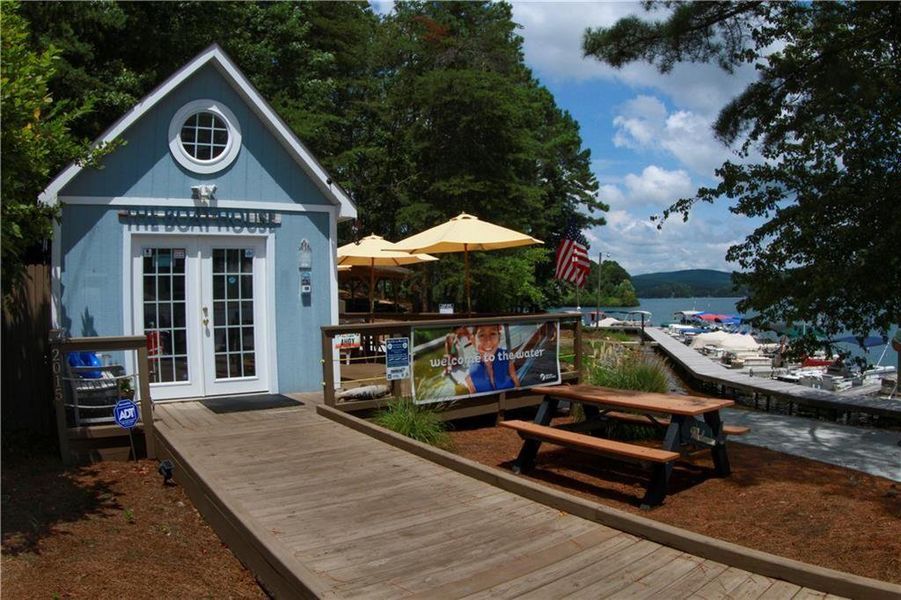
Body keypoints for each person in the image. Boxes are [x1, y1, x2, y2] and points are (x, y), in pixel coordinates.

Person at [465, 324, 521, 394]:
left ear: (499, 337)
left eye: (492, 334)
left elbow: (517, 385)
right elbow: (474, 399)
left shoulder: (506, 359)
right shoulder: (469, 374)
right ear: (473, 340)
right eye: (482, 335)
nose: (488, 341)